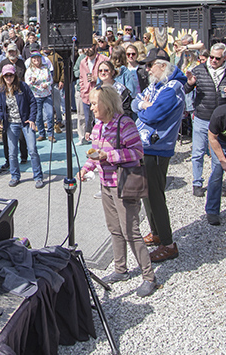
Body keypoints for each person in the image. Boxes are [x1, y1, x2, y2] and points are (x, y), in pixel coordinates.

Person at [77, 87, 156, 297]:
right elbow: (94, 154)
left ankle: (149, 277)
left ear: (107, 103)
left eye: (94, 103)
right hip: (106, 184)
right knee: (114, 228)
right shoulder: (98, 127)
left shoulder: (125, 123)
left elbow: (138, 152)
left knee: (131, 231)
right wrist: (86, 168)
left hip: (124, 185)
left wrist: (108, 155)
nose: (91, 107)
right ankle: (121, 269)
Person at [133, 57, 186, 263]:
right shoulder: (158, 85)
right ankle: (156, 232)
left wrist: (145, 108)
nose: (148, 70)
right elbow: (137, 101)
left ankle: (168, 243)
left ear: (163, 66)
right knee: (147, 193)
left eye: (151, 65)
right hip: (145, 146)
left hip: (157, 148)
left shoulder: (172, 88)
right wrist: (143, 105)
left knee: (156, 195)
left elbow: (153, 115)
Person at [184, 43, 226, 198]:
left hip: (221, 120)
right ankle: (197, 183)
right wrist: (190, 84)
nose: (213, 60)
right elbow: (185, 89)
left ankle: (216, 183)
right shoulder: (199, 70)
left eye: (217, 58)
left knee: (218, 155)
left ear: (224, 57)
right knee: (197, 152)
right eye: (211, 57)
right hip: (202, 116)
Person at [0, 64, 45, 188]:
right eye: (6, 75)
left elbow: (33, 102)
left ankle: (38, 177)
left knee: (32, 149)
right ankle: (15, 176)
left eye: (10, 75)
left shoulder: (23, 87)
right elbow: (0, 107)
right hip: (11, 123)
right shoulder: (0, 89)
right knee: (12, 152)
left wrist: (32, 118)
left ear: (14, 75)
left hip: (26, 122)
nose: (8, 78)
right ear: (2, 77)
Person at [78, 44, 109, 145]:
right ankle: (94, 146)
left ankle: (103, 145)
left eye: (90, 46)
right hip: (87, 96)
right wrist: (83, 90)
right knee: (88, 122)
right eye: (86, 47)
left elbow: (110, 75)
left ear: (95, 47)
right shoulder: (83, 62)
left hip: (101, 96)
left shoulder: (104, 59)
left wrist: (96, 78)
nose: (88, 49)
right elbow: (81, 78)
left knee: (101, 122)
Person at [25, 50, 55, 143]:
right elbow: (27, 84)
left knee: (50, 114)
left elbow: (51, 80)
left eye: (38, 57)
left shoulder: (45, 68)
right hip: (36, 95)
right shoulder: (29, 70)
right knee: (38, 116)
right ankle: (42, 134)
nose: (36, 59)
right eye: (34, 58)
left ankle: (51, 134)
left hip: (47, 94)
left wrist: (47, 84)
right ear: (31, 60)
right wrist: (32, 81)